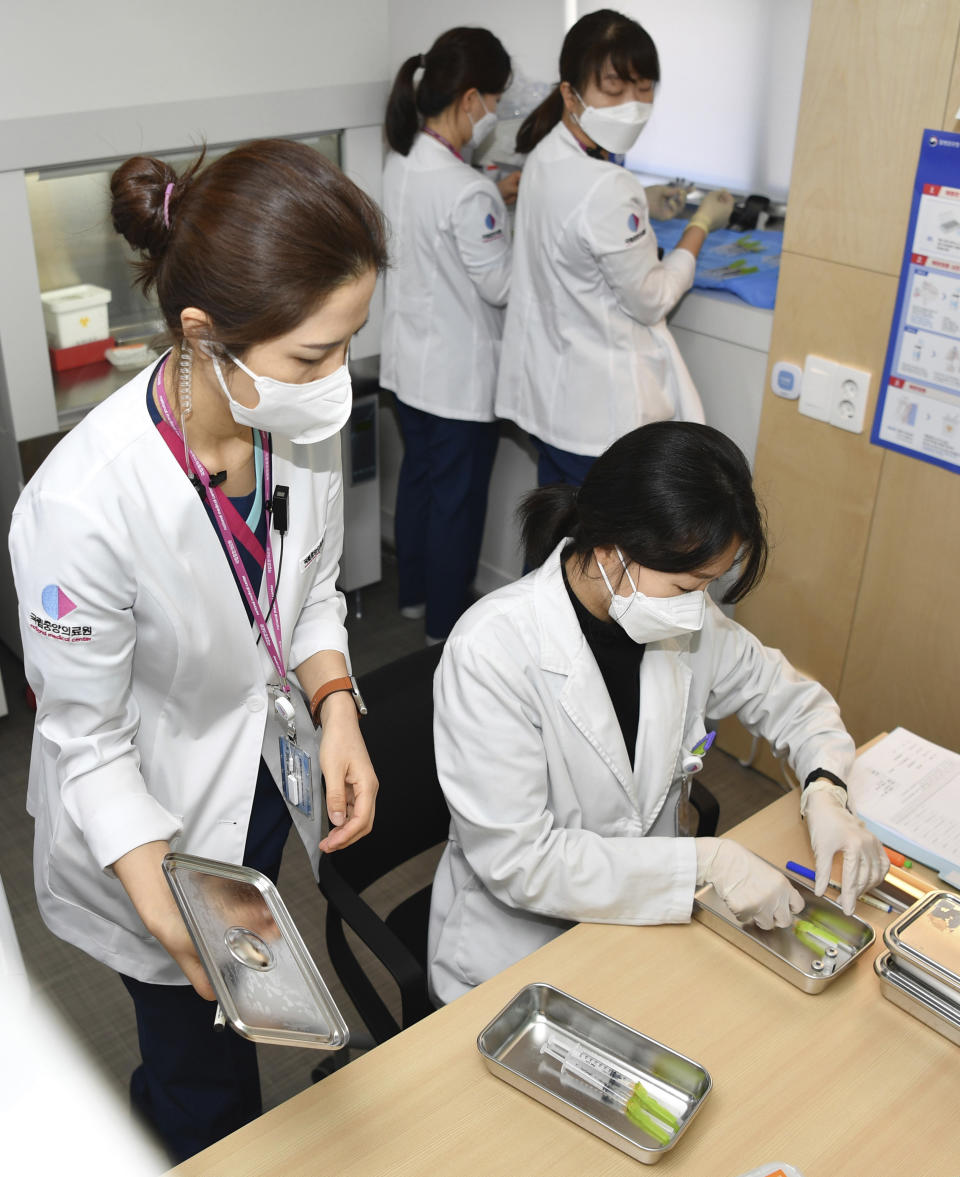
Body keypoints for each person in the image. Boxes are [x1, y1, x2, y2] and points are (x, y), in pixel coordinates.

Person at [10, 138, 386, 1162]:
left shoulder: (290, 416)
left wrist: (337, 704)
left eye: (347, 343)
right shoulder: (84, 505)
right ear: (202, 334)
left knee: (243, 1003)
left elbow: (307, 593)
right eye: (314, 355)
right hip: (145, 819)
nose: (336, 379)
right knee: (201, 1061)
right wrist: (175, 901)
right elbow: (85, 741)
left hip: (256, 770)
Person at [426, 422, 888, 1004]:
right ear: (610, 549)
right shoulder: (492, 650)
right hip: (520, 953)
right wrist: (706, 860)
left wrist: (825, 790)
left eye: (711, 585)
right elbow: (522, 862)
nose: (699, 609)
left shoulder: (674, 613)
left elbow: (790, 698)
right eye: (687, 585)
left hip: (647, 928)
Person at [496, 9, 734, 488]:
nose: (633, 103)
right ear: (570, 92)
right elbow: (650, 299)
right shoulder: (609, 186)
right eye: (614, 87)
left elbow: (575, 223)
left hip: (555, 403)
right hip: (602, 419)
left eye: (643, 87)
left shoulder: (544, 155)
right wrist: (701, 226)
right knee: (598, 557)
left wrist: (640, 206)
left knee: (555, 548)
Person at [380, 27, 514, 643]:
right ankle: (443, 628)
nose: (493, 114)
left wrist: (491, 193)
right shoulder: (469, 191)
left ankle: (411, 600)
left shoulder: (402, 164)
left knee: (420, 485)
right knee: (456, 507)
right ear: (469, 100)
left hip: (408, 371)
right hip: (458, 382)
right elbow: (501, 287)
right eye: (494, 101)